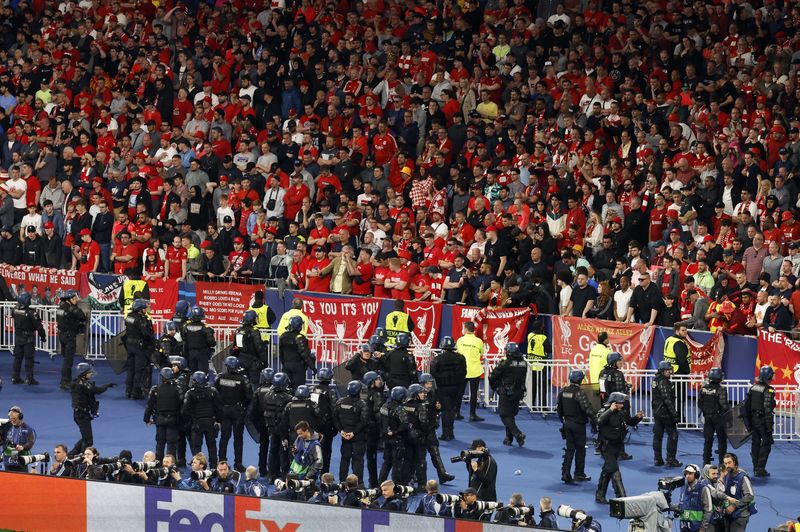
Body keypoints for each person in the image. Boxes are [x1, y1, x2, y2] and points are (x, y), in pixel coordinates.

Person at [595, 392, 644, 504]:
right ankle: (622, 498)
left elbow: (630, 422)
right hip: (607, 447)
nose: (622, 405)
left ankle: (600, 495)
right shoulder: (604, 412)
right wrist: (610, 410)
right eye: (620, 403)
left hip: (617, 447)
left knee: (607, 471)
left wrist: (637, 417)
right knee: (615, 471)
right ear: (614, 403)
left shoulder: (621, 413)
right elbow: (598, 421)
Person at [557, 369, 595, 483]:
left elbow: (559, 409)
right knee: (580, 450)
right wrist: (596, 419)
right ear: (580, 380)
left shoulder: (563, 391)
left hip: (567, 423)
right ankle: (579, 474)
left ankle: (565, 473)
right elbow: (586, 409)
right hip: (578, 425)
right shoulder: (579, 393)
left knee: (569, 449)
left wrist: (563, 421)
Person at [214, 356, 252, 472]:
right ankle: (238, 464)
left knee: (224, 438)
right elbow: (249, 396)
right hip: (237, 411)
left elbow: (215, 394)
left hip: (224, 411)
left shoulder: (220, 377)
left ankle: (221, 461)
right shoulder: (243, 379)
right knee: (238, 438)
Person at [254, 372, 293, 482]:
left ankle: (272, 475)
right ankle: (285, 476)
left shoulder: (267, 395)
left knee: (272, 451)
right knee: (283, 453)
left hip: (271, 428)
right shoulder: (288, 398)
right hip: (283, 429)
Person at [418, 373, 455, 483]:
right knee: (420, 455)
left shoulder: (433, 394)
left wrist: (438, 408)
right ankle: (416, 476)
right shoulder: (416, 394)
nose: (430, 386)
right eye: (428, 383)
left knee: (435, 451)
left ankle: (442, 474)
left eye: (431, 383)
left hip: (430, 428)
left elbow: (435, 409)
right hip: (420, 430)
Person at [489, 342, 528, 446]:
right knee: (510, 415)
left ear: (508, 351)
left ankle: (517, 434)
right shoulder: (524, 363)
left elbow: (493, 376)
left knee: (504, 415)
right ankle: (508, 438)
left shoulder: (505, 363)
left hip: (506, 392)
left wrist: (495, 388)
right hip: (518, 392)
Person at [70, 363, 113, 456]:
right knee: (88, 440)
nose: (91, 374)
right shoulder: (83, 385)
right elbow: (97, 390)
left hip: (79, 413)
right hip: (82, 414)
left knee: (85, 438)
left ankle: (71, 455)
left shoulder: (77, 382)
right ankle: (81, 459)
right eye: (89, 372)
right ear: (83, 374)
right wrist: (106, 385)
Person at [182, 371, 223, 468]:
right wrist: (218, 420)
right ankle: (213, 467)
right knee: (212, 446)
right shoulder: (213, 391)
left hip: (196, 423)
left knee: (196, 447)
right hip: (210, 423)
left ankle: (198, 467)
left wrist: (189, 420)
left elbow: (185, 410)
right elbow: (219, 408)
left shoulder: (190, 393)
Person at [430, 336, 466, 441]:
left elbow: (433, 373)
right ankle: (451, 432)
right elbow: (464, 373)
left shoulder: (437, 359)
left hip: (443, 388)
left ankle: (446, 433)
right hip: (456, 388)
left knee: (446, 411)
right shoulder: (460, 358)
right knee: (452, 410)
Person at [741, 366, 776, 477]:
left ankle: (756, 467)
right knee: (767, 442)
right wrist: (769, 425)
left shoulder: (753, 388)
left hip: (753, 420)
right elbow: (767, 409)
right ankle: (760, 468)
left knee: (755, 443)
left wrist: (748, 422)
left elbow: (745, 405)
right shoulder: (768, 390)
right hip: (763, 421)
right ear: (768, 376)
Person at [598, 352, 633, 460]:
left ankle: (602, 448)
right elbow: (620, 393)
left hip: (606, 405)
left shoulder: (602, 372)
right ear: (614, 362)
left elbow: (602, 390)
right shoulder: (617, 374)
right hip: (617, 406)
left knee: (605, 429)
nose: (622, 362)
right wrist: (627, 388)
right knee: (620, 429)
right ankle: (620, 452)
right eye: (619, 360)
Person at [144, 367, 183, 462]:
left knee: (160, 443)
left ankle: (158, 463)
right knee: (171, 444)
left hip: (159, 419)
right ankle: (171, 465)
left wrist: (146, 419)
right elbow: (181, 405)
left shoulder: (155, 389)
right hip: (173, 420)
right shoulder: (177, 389)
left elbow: (149, 405)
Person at [334, 380, 368, 482]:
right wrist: (353, 433)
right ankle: (358, 484)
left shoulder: (340, 402)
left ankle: (342, 483)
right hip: (358, 437)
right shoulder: (362, 404)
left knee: (344, 459)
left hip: (345, 436)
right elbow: (364, 421)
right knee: (358, 460)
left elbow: (335, 418)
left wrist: (341, 431)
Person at [11, 293, 46, 385]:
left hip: (18, 338)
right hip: (28, 339)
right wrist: (43, 336)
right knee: (29, 359)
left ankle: (15, 377)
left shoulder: (14, 310)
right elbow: (38, 326)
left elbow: (14, 316)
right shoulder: (31, 312)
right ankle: (29, 379)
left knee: (17, 358)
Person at [652, 360, 682, 467]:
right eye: (668, 370)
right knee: (673, 435)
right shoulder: (664, 382)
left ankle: (657, 459)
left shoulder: (655, 380)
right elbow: (667, 399)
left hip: (657, 413)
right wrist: (674, 414)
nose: (670, 372)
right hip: (666, 413)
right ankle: (670, 459)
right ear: (662, 371)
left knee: (657, 436)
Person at [124, 298, 155, 399]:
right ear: (140, 309)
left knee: (130, 369)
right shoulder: (141, 319)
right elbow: (146, 334)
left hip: (129, 345)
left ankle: (128, 390)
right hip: (139, 346)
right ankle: (136, 392)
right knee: (138, 370)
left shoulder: (129, 317)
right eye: (144, 308)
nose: (146, 309)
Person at [56, 290, 87, 390]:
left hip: (62, 335)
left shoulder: (61, 307)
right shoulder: (72, 309)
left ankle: (66, 379)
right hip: (69, 336)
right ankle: (65, 381)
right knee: (68, 361)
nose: (76, 300)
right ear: (71, 299)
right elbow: (82, 317)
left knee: (66, 359)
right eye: (75, 298)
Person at [378, 385, 409, 484]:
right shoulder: (400, 409)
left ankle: (380, 484)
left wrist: (386, 432)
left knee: (386, 462)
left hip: (386, 439)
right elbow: (404, 425)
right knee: (397, 464)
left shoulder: (384, 406)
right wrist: (395, 432)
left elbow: (380, 421)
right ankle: (396, 486)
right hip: (397, 440)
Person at [699, 368, 729, 466]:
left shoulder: (703, 388)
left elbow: (700, 403)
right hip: (718, 418)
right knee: (722, 440)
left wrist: (706, 412)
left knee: (708, 440)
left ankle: (706, 461)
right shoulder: (721, 389)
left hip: (707, 418)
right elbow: (723, 405)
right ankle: (722, 462)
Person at [310, 367, 337, 474]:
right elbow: (334, 409)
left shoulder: (312, 389)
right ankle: (324, 475)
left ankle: (312, 474)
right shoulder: (331, 391)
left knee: (312, 450)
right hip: (326, 426)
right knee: (326, 452)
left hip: (313, 425)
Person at [456, 321, 485, 421]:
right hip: (474, 370)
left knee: (459, 392)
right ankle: (472, 415)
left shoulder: (460, 340)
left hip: (462, 370)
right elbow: (481, 354)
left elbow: (457, 353)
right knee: (473, 393)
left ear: (466, 329)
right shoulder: (479, 341)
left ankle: (457, 413)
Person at [675, 463, 716, 532]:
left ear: (697, 475)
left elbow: (708, 510)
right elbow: (682, 504)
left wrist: (703, 527)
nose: (687, 476)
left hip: (698, 527)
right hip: (684, 526)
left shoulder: (703, 488)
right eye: (686, 473)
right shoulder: (683, 488)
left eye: (690, 473)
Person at [362, 371, 385, 488]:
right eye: (377, 380)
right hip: (374, 429)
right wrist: (383, 429)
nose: (379, 381)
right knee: (372, 456)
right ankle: (374, 482)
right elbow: (378, 413)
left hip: (363, 428)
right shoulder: (377, 394)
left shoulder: (363, 393)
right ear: (371, 382)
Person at [722, 453, 756, 531]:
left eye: (729, 462)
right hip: (729, 513)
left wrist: (734, 506)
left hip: (741, 515)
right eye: (725, 463)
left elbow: (750, 495)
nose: (727, 465)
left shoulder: (742, 477)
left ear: (735, 462)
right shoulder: (727, 476)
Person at [278, 316, 315, 387]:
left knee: (286, 388)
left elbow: (281, 353)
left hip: (286, 365)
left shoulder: (283, 336)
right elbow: (305, 354)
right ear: (299, 326)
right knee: (298, 389)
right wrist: (312, 367)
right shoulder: (300, 338)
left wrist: (284, 364)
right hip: (298, 367)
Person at [234, 310, 268, 384]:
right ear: (252, 319)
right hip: (253, 362)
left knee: (243, 383)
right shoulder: (254, 331)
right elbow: (259, 347)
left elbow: (235, 347)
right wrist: (264, 360)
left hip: (241, 360)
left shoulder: (238, 331)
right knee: (254, 384)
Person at [181, 305, 216, 374]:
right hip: (202, 354)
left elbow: (184, 338)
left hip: (190, 354)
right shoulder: (206, 328)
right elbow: (211, 342)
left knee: (193, 374)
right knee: (202, 375)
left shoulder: (186, 327)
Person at [1, 405, 35, 472]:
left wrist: (22, 447)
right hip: (8, 462)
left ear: (20, 417)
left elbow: (30, 443)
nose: (12, 421)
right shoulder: (6, 427)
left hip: (21, 462)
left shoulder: (28, 429)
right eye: (11, 418)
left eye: (14, 418)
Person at [525, 319, 551, 405]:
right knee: (542, 388)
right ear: (540, 328)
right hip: (541, 366)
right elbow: (549, 349)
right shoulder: (543, 338)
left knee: (533, 387)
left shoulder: (530, 335)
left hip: (531, 365)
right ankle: (543, 406)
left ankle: (532, 405)